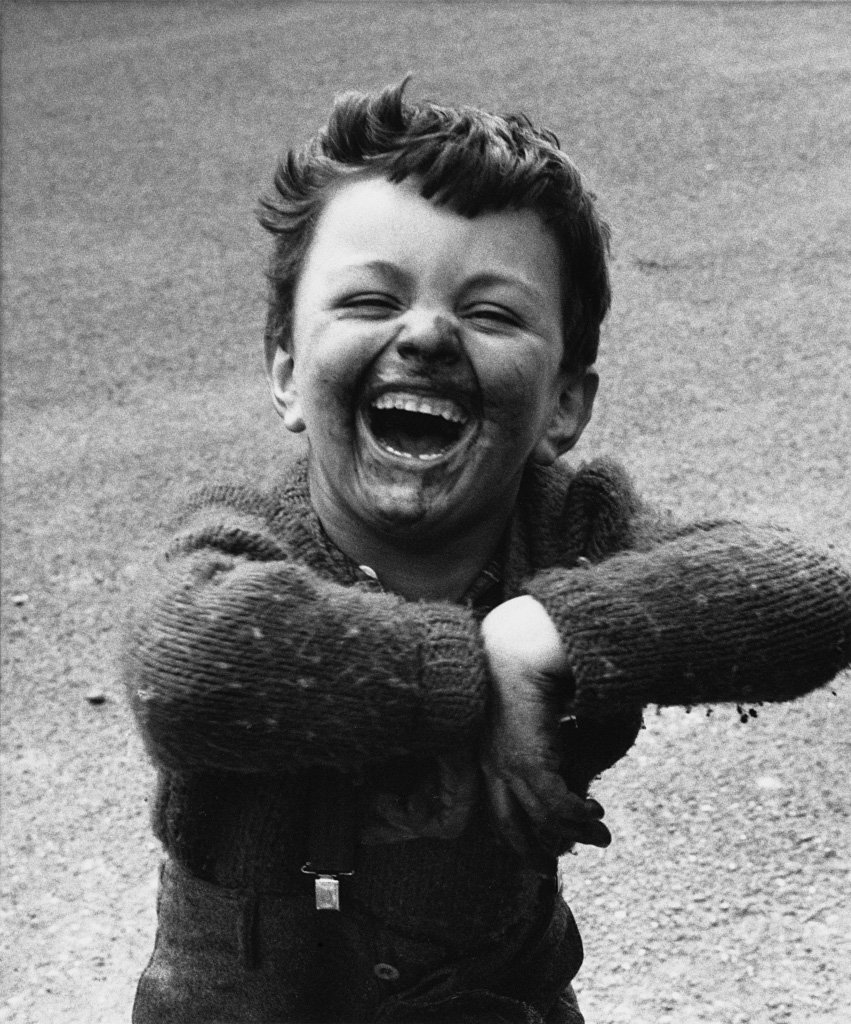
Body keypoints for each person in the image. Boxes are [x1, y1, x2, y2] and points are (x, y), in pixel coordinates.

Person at [125, 81, 851, 1024]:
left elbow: (807, 596)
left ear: (563, 405)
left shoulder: (574, 532)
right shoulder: (244, 539)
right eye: (369, 298)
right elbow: (186, 668)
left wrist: (538, 630)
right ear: (285, 374)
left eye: (493, 314)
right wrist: (470, 674)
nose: (424, 332)